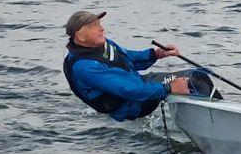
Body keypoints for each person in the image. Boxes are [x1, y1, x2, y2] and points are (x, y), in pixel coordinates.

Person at [63, 11, 218, 121]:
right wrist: (169, 88)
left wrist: (156, 54)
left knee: (199, 74)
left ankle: (213, 119)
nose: (101, 28)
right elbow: (130, 90)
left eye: (99, 24)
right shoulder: (84, 67)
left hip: (140, 85)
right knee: (195, 80)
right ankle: (219, 122)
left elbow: (127, 57)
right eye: (94, 26)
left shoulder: (102, 44)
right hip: (133, 103)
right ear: (80, 35)